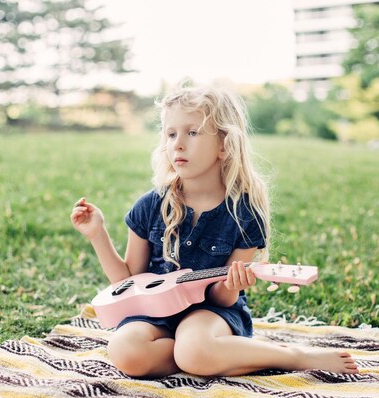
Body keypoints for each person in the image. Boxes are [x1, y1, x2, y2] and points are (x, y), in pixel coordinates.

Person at [71, 85, 358, 378]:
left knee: (194, 347)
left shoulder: (243, 213)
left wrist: (233, 284)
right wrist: (98, 234)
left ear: (224, 145)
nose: (178, 144)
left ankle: (291, 357)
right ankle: (202, 357)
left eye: (192, 133)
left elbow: (223, 299)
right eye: (171, 134)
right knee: (125, 351)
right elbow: (127, 281)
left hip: (211, 313)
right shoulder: (150, 205)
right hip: (153, 314)